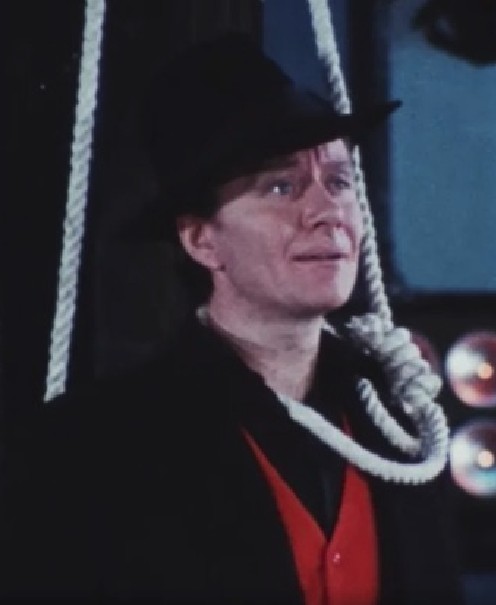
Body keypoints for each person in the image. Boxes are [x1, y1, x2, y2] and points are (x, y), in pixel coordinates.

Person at [3, 32, 465, 604]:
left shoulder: (401, 423)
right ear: (202, 240)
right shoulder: (90, 448)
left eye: (339, 181)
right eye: (281, 186)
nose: (327, 212)